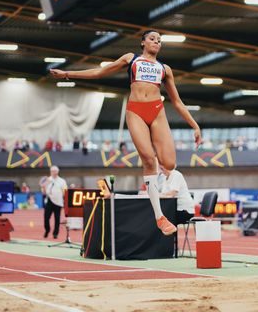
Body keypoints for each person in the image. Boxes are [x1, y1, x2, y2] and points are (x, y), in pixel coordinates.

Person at [50, 30, 201, 236]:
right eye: (152, 39)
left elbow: (177, 102)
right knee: (149, 160)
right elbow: (100, 72)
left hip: (157, 111)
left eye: (159, 40)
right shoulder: (132, 59)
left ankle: (158, 204)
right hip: (136, 111)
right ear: (142, 42)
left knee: (169, 164)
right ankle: (159, 217)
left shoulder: (165, 69)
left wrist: (195, 126)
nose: (156, 42)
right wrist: (68, 74)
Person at [41, 165, 67, 239]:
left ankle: (55, 233)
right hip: (49, 200)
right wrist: (43, 187)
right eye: (52, 171)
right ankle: (47, 230)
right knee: (46, 217)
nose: (54, 172)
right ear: (50, 172)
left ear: (58, 172)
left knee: (57, 218)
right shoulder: (47, 180)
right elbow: (43, 191)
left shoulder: (62, 181)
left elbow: (65, 191)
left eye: (55, 171)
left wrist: (63, 198)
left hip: (58, 202)